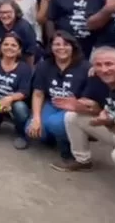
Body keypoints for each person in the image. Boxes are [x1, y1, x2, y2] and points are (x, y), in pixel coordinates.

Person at [27, 31, 93, 163]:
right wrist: (36, 118)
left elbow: (91, 98)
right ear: (51, 47)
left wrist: (77, 105)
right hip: (52, 103)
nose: (61, 48)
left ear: (73, 46)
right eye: (56, 44)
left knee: (54, 123)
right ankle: (56, 137)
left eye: (66, 44)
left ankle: (69, 148)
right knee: (32, 130)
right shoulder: (44, 65)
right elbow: (38, 93)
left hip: (75, 107)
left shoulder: (86, 67)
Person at [0, 0, 37, 65]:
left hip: (21, 62)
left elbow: (31, 53)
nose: (5, 15)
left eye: (8, 12)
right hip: (1, 61)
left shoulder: (25, 27)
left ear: (15, 12)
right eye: (1, 12)